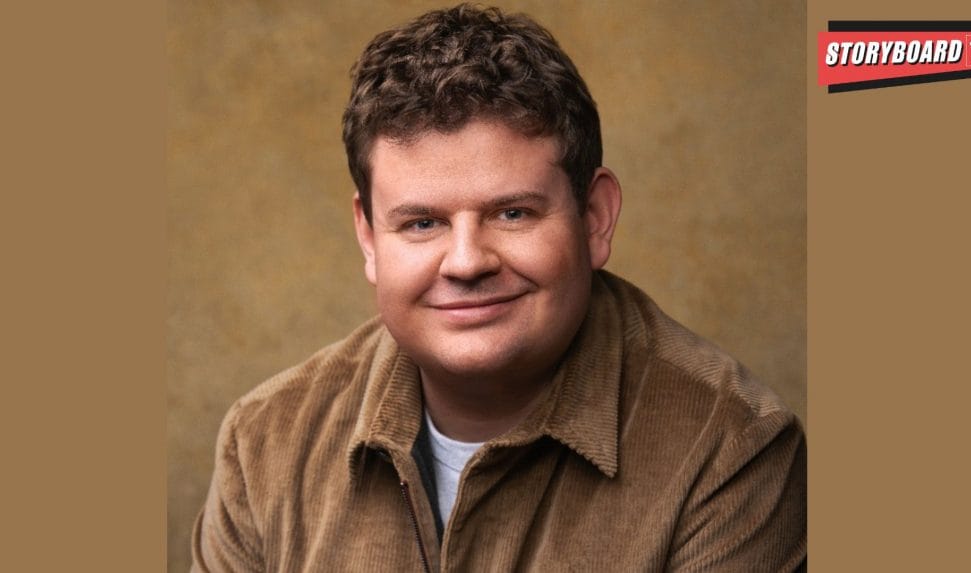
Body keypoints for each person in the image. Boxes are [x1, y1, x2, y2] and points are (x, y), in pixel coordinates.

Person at [191, 4, 806, 572]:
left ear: (595, 218)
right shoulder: (263, 443)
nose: (465, 263)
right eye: (422, 223)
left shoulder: (731, 449)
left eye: (513, 213)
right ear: (369, 238)